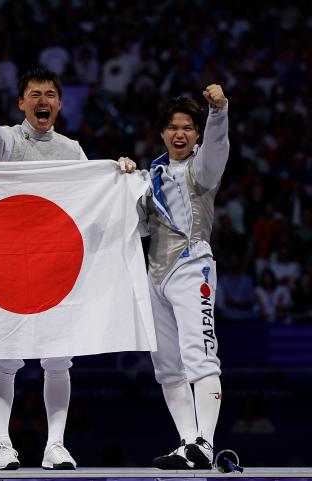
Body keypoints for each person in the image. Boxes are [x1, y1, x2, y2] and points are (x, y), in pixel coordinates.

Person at [0, 46, 136, 471]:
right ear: (21, 102)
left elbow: (90, 199)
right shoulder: (6, 142)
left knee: (59, 357)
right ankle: (2, 444)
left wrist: (117, 175)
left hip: (54, 267)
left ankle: (55, 445)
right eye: (34, 94)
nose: (43, 101)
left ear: (60, 103)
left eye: (50, 94)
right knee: (5, 357)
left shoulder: (72, 149)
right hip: (9, 264)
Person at [142, 86, 229, 470]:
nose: (180, 134)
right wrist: (125, 176)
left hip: (193, 269)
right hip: (154, 277)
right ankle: (187, 443)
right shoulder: (153, 173)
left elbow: (217, 145)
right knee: (167, 366)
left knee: (201, 358)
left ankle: (205, 444)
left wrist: (219, 111)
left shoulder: (203, 169)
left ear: (197, 133)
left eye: (188, 128)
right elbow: (140, 227)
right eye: (173, 127)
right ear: (162, 132)